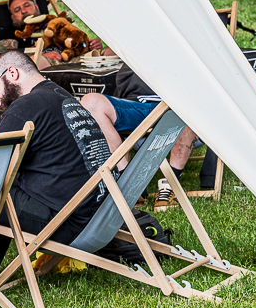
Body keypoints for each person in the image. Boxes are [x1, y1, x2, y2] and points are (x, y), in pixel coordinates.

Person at [0, 51, 123, 280]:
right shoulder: (61, 95)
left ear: (12, 73)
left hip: (67, 223)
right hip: (100, 215)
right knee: (3, 189)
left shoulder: (25, 107)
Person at [81, 64, 201, 211]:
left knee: (189, 101)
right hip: (141, 105)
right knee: (90, 102)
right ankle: (129, 184)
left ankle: (171, 182)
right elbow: (124, 79)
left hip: (179, 103)